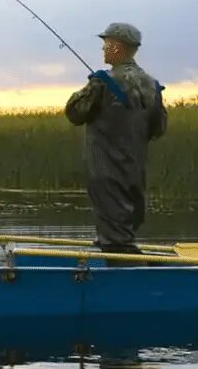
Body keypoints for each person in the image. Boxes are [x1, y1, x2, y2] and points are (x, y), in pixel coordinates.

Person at [65, 23, 167, 260]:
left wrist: (91, 87)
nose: (103, 49)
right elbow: (159, 128)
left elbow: (74, 113)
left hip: (105, 170)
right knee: (125, 227)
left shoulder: (102, 81)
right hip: (135, 170)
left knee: (114, 238)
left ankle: (122, 279)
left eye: (106, 44)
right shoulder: (153, 86)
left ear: (118, 48)